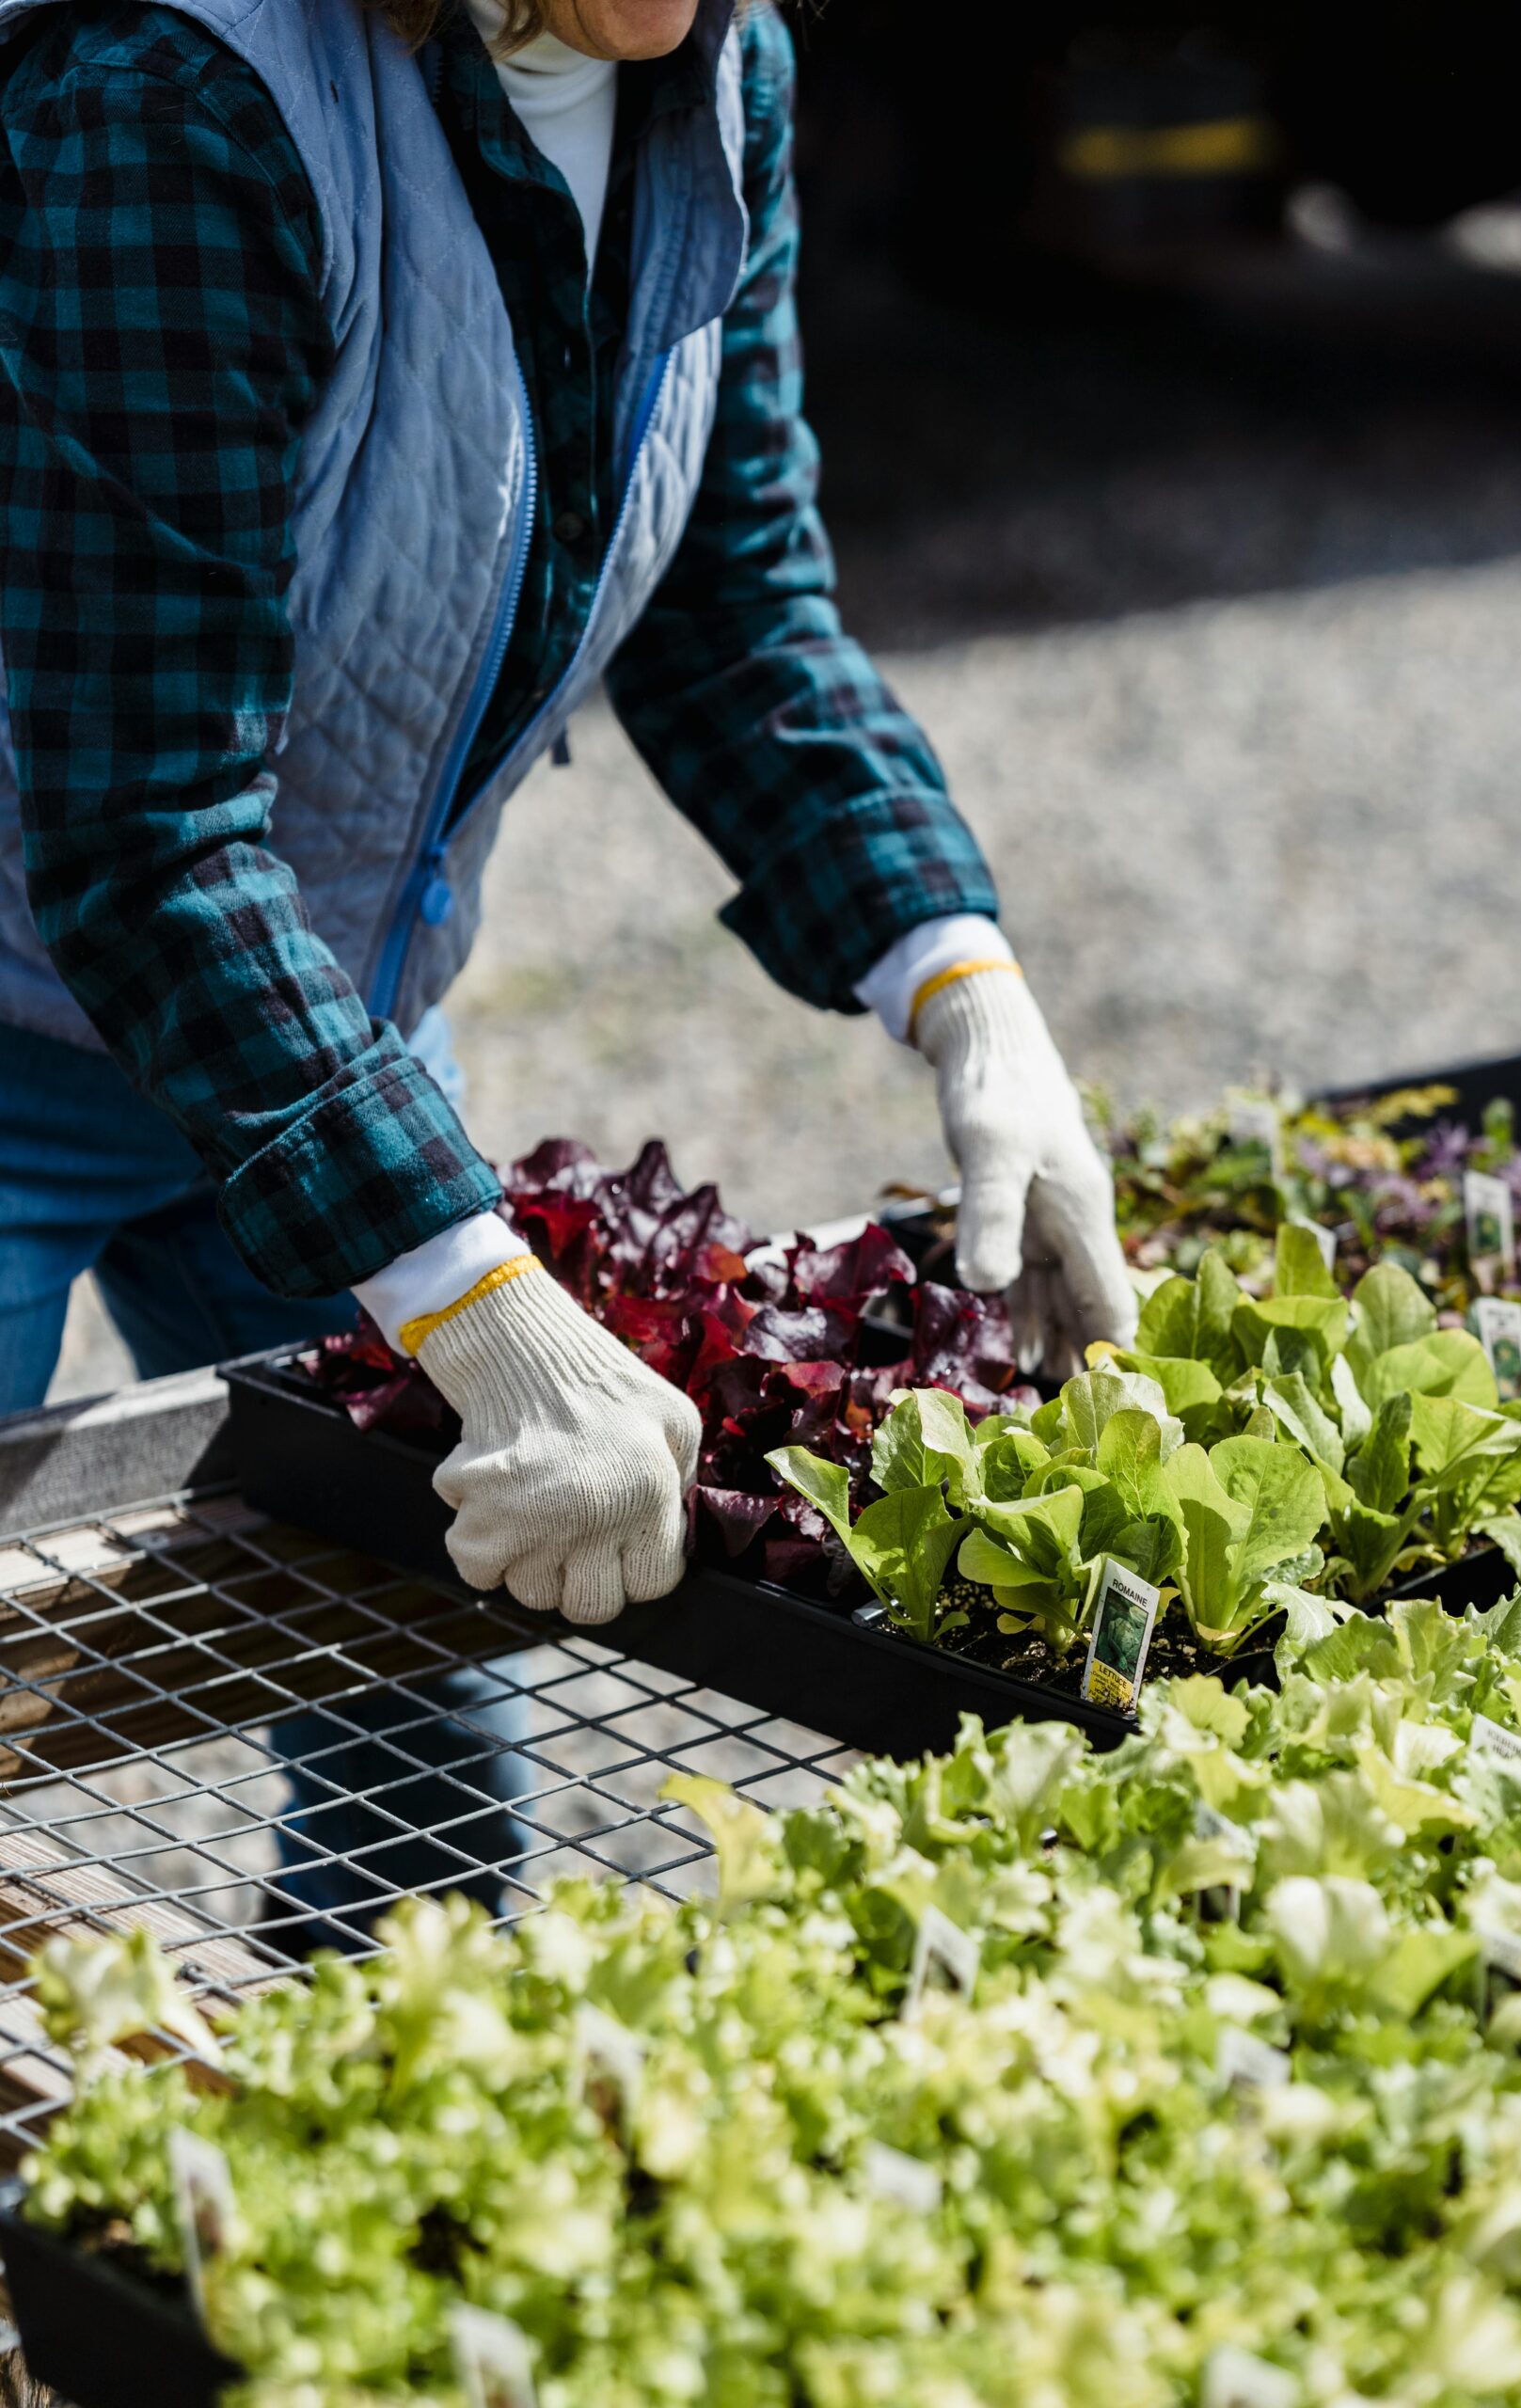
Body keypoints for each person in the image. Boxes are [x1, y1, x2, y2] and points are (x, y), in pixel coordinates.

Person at [0, 0, 1134, 1940]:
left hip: (313, 1018)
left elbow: (729, 609)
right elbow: (142, 824)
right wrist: (480, 1304)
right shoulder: (182, 100)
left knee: (427, 1765)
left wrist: (961, 986)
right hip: (39, 1005)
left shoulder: (719, 75)